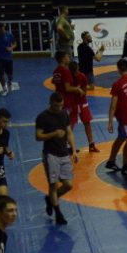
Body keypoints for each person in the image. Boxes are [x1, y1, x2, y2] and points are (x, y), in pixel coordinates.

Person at [35, 91, 76, 225]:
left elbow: (69, 132)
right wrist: (53, 134)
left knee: (68, 185)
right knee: (53, 185)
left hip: (64, 153)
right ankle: (58, 213)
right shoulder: (43, 117)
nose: (59, 108)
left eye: (61, 105)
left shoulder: (64, 114)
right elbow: (38, 136)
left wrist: (74, 150)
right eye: (56, 106)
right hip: (50, 154)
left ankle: (50, 199)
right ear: (51, 103)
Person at [67, 61, 99, 152]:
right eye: (73, 72)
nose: (75, 74)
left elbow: (84, 93)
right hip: (72, 103)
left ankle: (91, 144)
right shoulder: (68, 77)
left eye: (76, 71)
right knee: (70, 125)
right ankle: (68, 146)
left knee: (87, 122)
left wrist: (76, 90)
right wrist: (77, 90)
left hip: (82, 102)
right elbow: (67, 90)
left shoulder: (82, 77)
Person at [0, 23, 16, 96]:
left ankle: (9, 81)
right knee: (1, 75)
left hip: (8, 58)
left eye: (3, 28)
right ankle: (4, 88)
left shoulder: (9, 35)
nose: (3, 30)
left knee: (10, 75)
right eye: (1, 29)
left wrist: (11, 48)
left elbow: (15, 43)